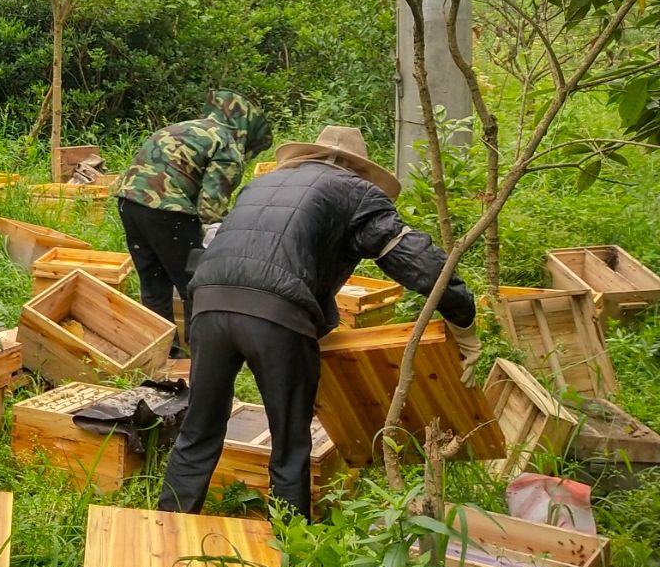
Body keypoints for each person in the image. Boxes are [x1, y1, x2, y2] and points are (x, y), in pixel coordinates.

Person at [157, 125, 481, 521]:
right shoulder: (356, 192)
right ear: (357, 168)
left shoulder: (262, 185)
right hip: (277, 314)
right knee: (290, 442)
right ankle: (292, 548)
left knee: (198, 429)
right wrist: (464, 323)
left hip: (207, 301)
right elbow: (422, 264)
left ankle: (166, 529)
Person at [115, 90, 272, 351]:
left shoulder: (184, 127)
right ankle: (202, 358)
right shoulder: (227, 144)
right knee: (196, 286)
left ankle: (165, 358)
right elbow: (211, 204)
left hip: (128, 204)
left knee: (154, 286)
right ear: (247, 132)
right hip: (169, 212)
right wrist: (217, 243)